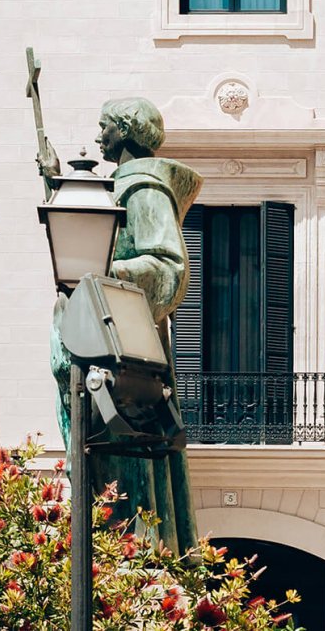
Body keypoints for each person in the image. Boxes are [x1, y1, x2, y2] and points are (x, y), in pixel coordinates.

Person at [48, 97, 202, 554]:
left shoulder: (142, 187)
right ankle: (107, 556)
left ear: (127, 131)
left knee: (123, 460)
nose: (99, 136)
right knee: (97, 459)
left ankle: (129, 558)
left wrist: (106, 270)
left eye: (106, 127)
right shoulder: (114, 186)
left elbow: (169, 267)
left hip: (121, 344)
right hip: (96, 338)